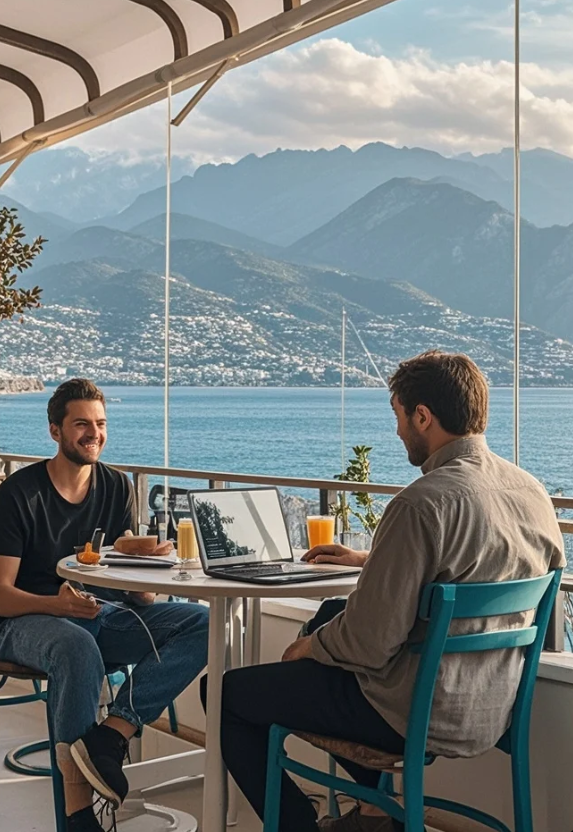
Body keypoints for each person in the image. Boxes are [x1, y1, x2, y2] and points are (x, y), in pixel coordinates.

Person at [215, 351, 565, 832]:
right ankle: (377, 812)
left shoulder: (421, 504)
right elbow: (511, 596)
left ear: (423, 416)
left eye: (399, 416)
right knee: (333, 609)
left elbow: (370, 643)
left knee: (228, 692)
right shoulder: (532, 492)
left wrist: (308, 647)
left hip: (415, 715)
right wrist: (373, 562)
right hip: (495, 706)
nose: (398, 431)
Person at [0, 378, 209, 832]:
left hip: (103, 614)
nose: (94, 433)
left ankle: (111, 735)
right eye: (81, 423)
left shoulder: (117, 487)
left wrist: (143, 568)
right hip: (29, 621)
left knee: (203, 622)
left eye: (101, 424)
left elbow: (137, 596)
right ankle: (77, 816)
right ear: (55, 431)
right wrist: (57, 605)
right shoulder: (19, 494)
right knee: (77, 647)